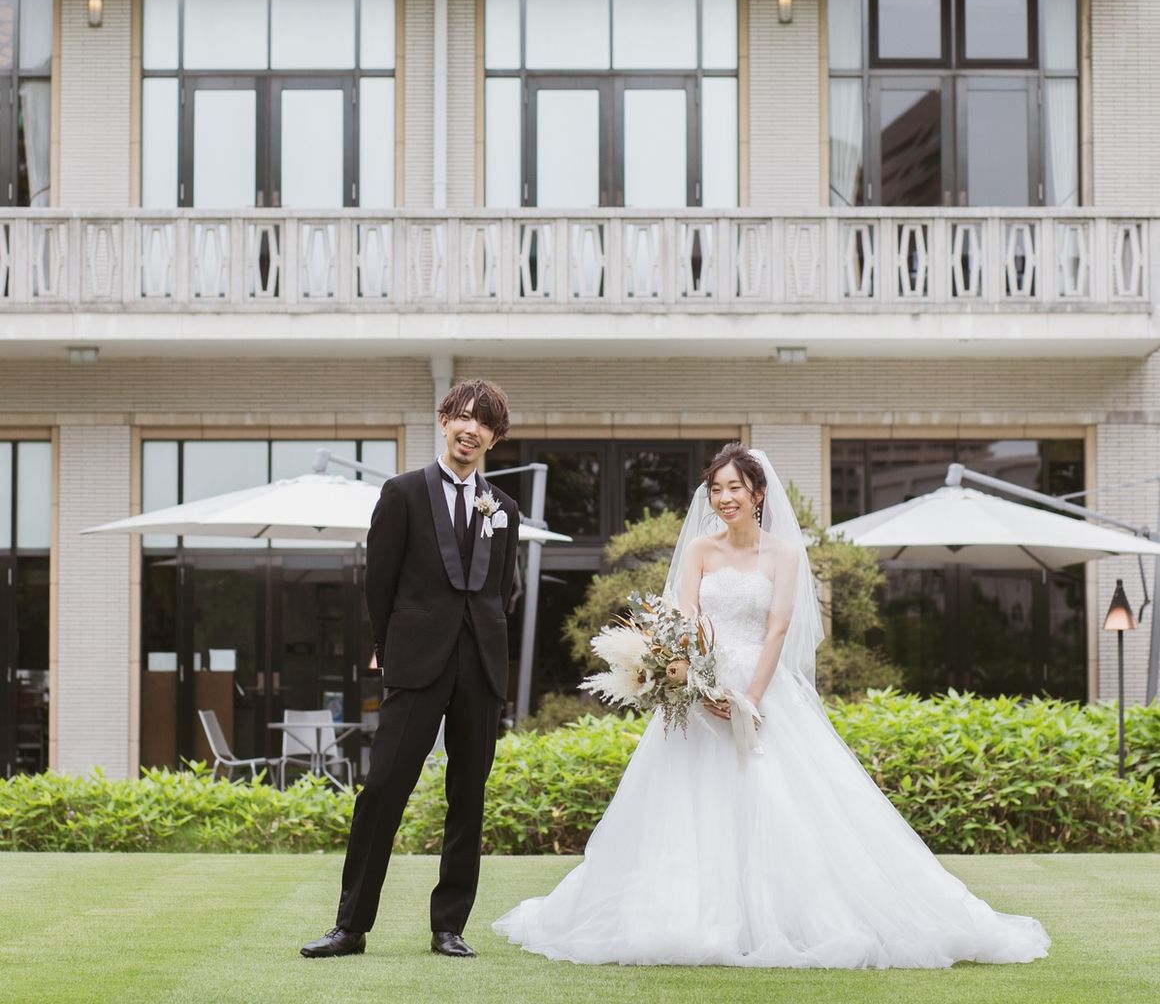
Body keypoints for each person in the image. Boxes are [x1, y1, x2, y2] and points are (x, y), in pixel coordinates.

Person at [494, 443, 1050, 968]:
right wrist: (696, 684)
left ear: (758, 493)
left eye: (735, 488)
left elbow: (779, 628)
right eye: (716, 489)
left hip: (761, 686)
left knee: (781, 801)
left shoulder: (784, 553)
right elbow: (683, 622)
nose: (724, 498)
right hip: (698, 692)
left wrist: (749, 700)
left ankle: (788, 914)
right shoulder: (699, 549)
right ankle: (684, 912)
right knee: (684, 805)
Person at [302, 378, 520, 960]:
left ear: (494, 438)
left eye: (484, 423)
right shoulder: (400, 493)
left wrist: (484, 642)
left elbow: (502, 589)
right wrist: (390, 650)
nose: (471, 429)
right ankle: (350, 926)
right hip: (415, 665)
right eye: (463, 417)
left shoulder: (504, 508)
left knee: (468, 798)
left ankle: (449, 926)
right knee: (382, 790)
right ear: (445, 420)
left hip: (481, 668)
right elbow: (379, 583)